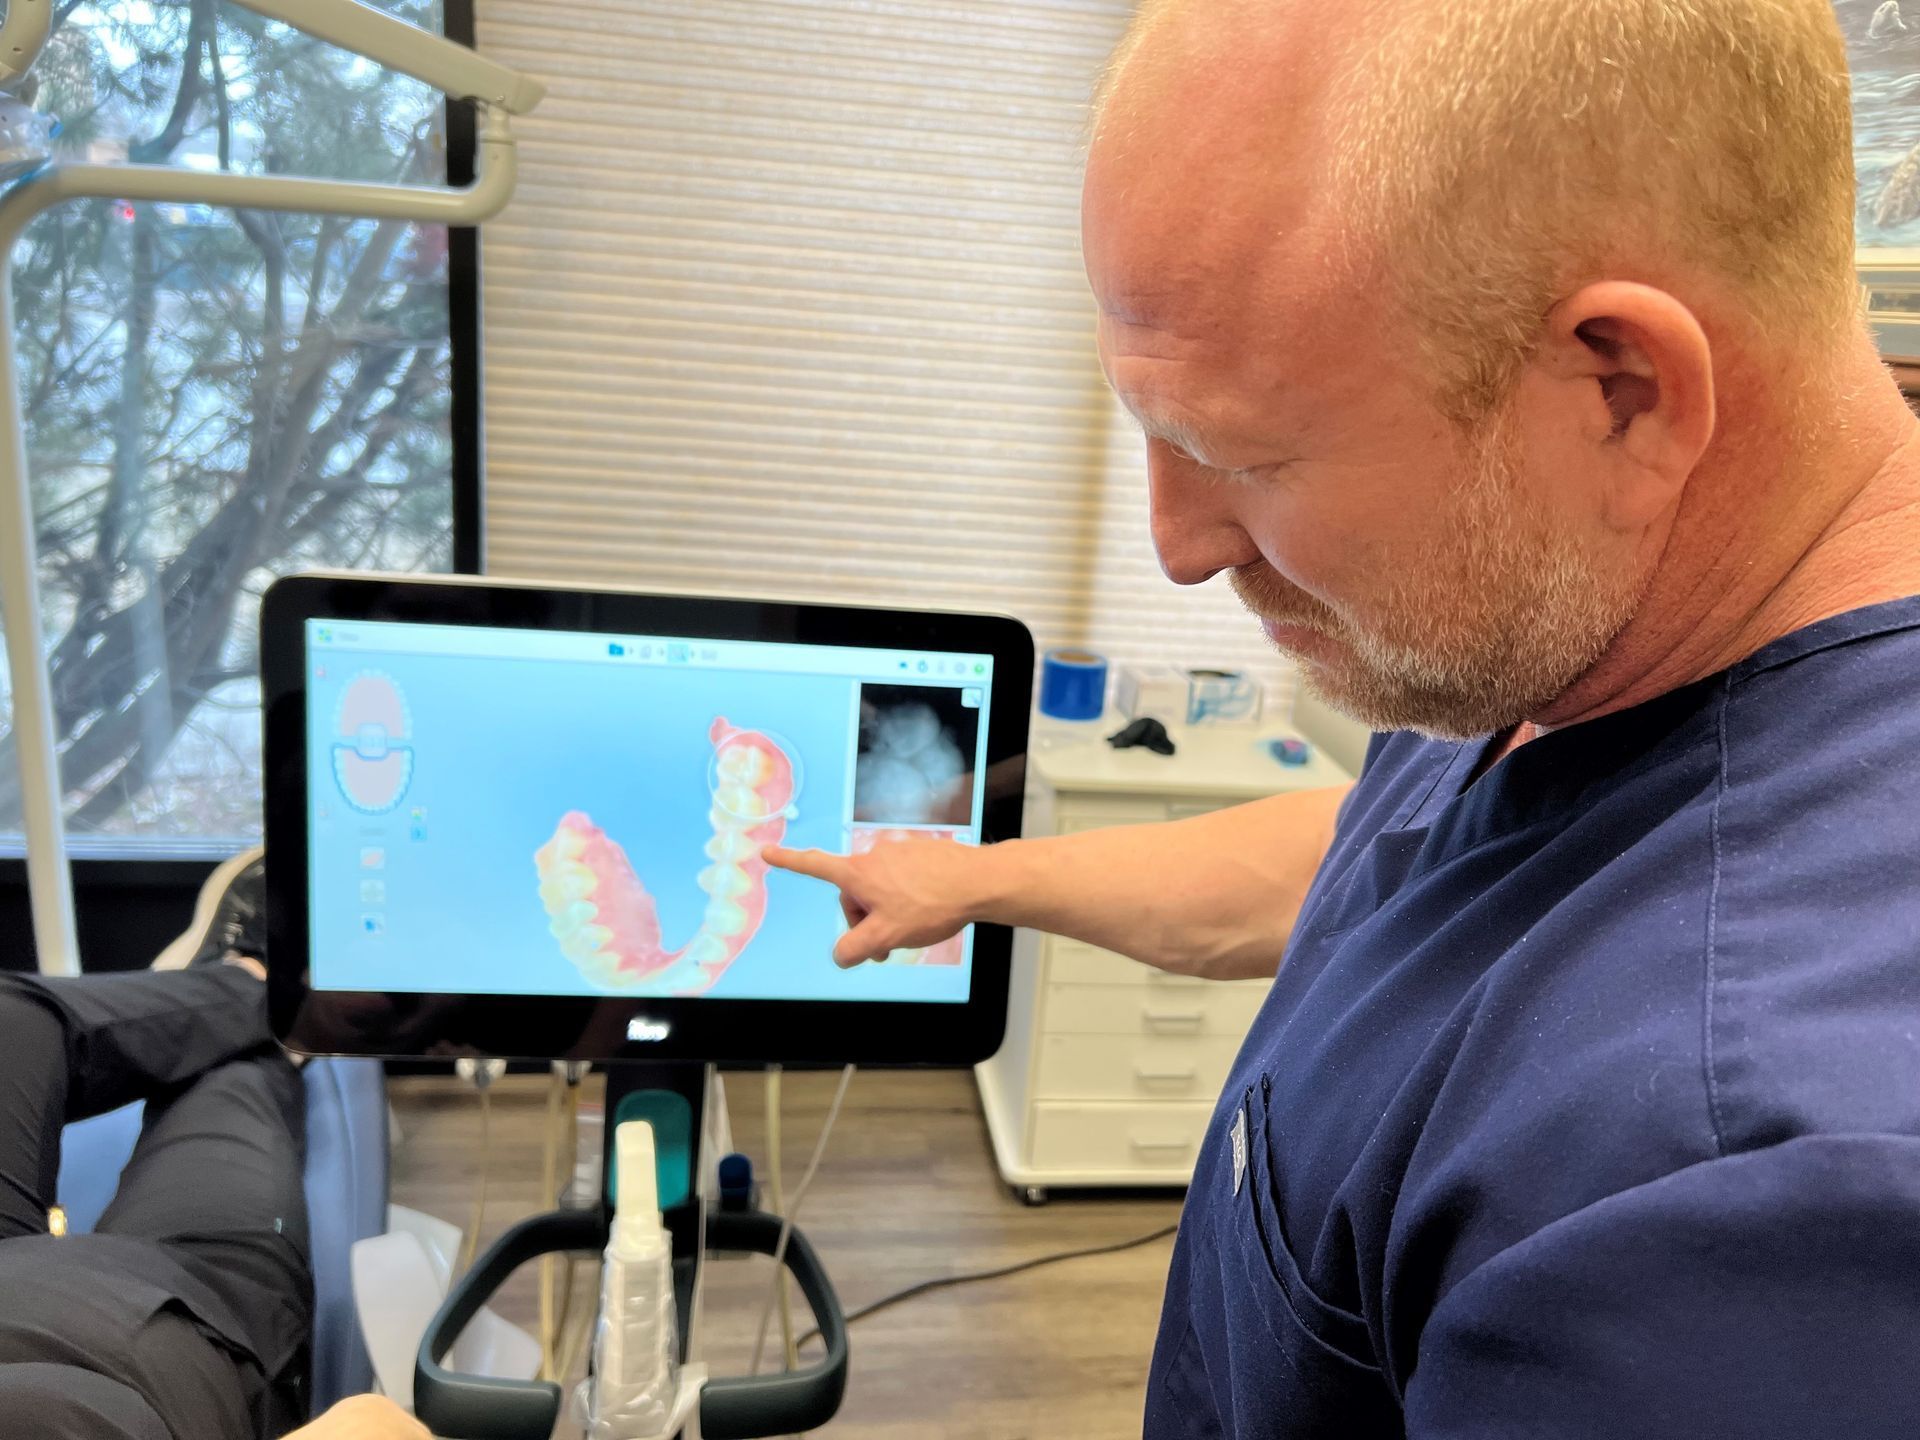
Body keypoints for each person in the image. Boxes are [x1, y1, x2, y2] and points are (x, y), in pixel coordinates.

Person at [765, 0, 1920, 1434]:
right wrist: (980, 880)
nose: (1179, 545)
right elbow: (1386, 862)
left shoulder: (1741, 1200)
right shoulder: (1578, 640)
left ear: (1619, 390)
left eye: (1237, 451)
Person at [0, 851, 427, 1440]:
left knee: (12, 1018)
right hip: (163, 1346)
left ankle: (239, 989)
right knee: (231, 1084)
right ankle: (275, 1005)